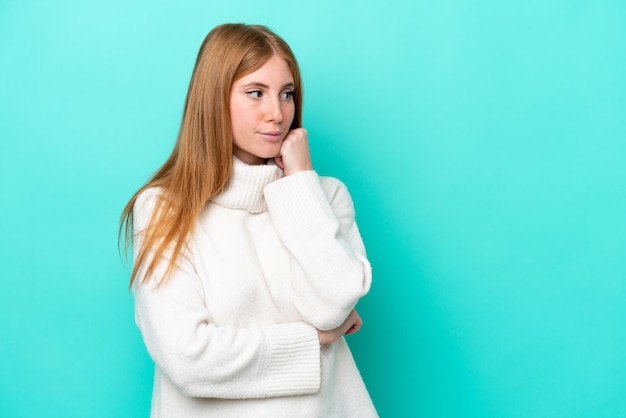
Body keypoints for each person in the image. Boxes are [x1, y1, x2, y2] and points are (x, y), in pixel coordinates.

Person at [120, 23, 377, 417]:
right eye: (255, 93)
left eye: (286, 94)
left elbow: (333, 307)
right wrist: (313, 342)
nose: (277, 113)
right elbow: (189, 359)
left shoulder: (324, 196)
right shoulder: (163, 209)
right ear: (214, 99)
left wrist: (300, 184)